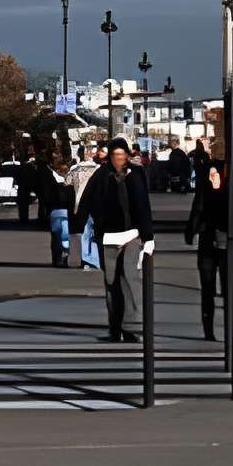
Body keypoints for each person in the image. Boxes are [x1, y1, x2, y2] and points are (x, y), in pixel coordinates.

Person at [76, 139, 153, 341]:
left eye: (122, 155)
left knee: (130, 279)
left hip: (132, 236)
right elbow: (86, 200)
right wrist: (80, 225)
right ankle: (115, 327)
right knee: (112, 283)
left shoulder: (137, 174)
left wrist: (148, 236)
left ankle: (131, 327)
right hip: (108, 236)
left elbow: (143, 205)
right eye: (115, 156)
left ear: (127, 155)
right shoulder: (101, 175)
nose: (119, 159)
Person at [184, 154, 231, 341]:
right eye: (211, 175)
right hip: (208, 245)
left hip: (226, 245)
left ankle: (231, 327)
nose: (214, 178)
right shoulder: (205, 192)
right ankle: (209, 330)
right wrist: (191, 232)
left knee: (229, 289)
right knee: (208, 287)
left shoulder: (229, 192)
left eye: (216, 174)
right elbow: (196, 211)